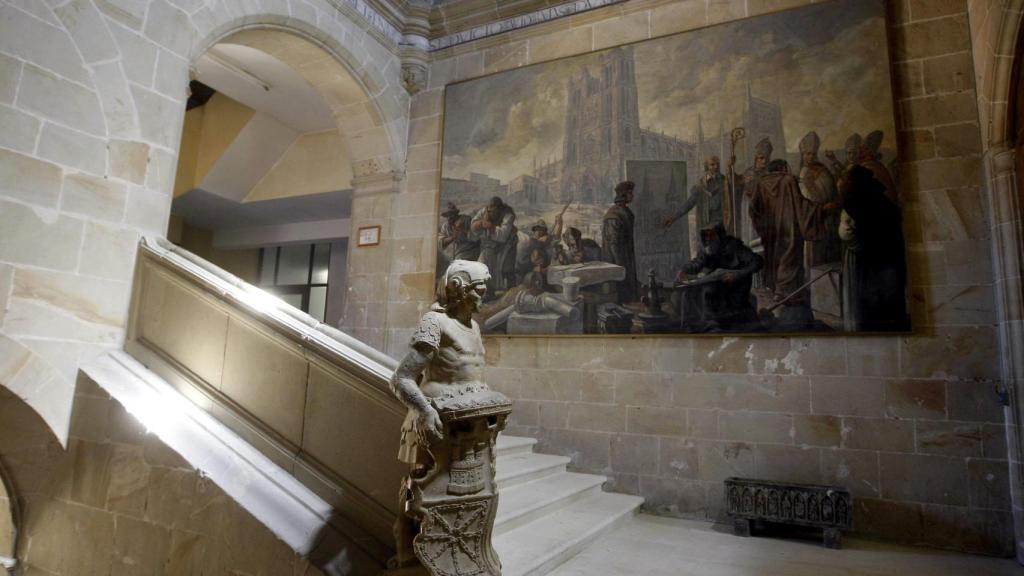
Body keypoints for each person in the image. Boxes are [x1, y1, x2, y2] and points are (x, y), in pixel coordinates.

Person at [748, 159, 837, 328]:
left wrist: (764, 227)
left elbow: (753, 210)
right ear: (783, 168)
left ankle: (779, 299)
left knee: (776, 262)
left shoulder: (761, 183)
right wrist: (822, 210)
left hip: (772, 234)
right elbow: (802, 206)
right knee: (790, 264)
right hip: (789, 233)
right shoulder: (788, 180)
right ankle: (789, 308)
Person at [839, 165, 909, 331]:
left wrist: (858, 247)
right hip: (889, 258)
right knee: (888, 299)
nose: (845, 184)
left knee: (873, 300)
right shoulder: (883, 201)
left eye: (848, 180)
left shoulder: (855, 203)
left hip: (871, 260)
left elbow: (846, 233)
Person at [675, 222, 763, 332]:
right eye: (705, 235)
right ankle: (691, 327)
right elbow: (697, 263)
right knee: (687, 293)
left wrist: (737, 274)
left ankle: (711, 327)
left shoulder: (734, 246)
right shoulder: (707, 249)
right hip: (717, 284)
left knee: (708, 291)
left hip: (735, 289)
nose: (707, 239)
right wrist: (684, 269)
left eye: (711, 235)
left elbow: (757, 261)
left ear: (720, 235)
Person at [798, 131, 841, 267]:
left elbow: (834, 190)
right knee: (817, 258)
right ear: (803, 155)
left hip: (830, 218)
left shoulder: (823, 170)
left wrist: (834, 204)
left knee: (831, 255)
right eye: (807, 153)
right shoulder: (804, 173)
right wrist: (822, 208)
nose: (810, 157)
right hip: (815, 220)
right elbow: (806, 200)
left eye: (812, 153)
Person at [663, 156, 725, 233]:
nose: (716, 167)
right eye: (712, 164)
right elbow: (689, 204)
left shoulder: (725, 182)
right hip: (705, 223)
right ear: (706, 167)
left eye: (717, 164)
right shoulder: (700, 186)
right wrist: (674, 218)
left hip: (720, 223)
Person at [602, 181, 639, 304]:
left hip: (626, 258)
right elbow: (614, 244)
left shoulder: (625, 211)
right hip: (617, 261)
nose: (632, 196)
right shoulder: (613, 215)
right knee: (621, 292)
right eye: (630, 193)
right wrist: (621, 267)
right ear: (623, 195)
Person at [470, 196, 517, 294]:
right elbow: (473, 225)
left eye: (493, 210)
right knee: (482, 265)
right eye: (489, 209)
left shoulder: (508, 215)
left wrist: (490, 227)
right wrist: (481, 223)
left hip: (508, 244)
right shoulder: (485, 211)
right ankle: (488, 292)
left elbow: (503, 235)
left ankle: (511, 291)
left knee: (506, 268)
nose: (491, 212)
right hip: (490, 244)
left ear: (499, 208)